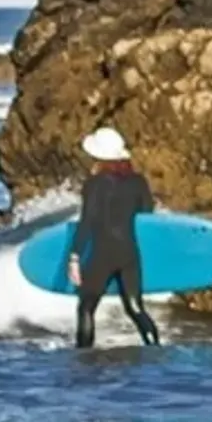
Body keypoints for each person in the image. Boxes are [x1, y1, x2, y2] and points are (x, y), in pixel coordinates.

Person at [67, 126, 162, 350]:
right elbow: (146, 214)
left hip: (104, 254)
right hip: (129, 253)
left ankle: (84, 357)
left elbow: (87, 222)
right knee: (135, 308)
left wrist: (74, 257)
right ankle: (155, 351)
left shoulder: (94, 185)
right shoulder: (138, 181)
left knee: (86, 308)